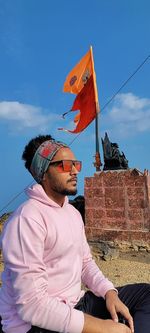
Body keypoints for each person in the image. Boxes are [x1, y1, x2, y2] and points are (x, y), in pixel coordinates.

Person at [0, 134, 150, 333]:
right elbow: (32, 305)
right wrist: (102, 327)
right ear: (43, 173)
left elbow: (85, 262)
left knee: (146, 294)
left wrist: (109, 292)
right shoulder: (27, 219)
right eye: (64, 165)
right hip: (35, 324)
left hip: (75, 304)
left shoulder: (72, 213)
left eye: (76, 164)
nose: (74, 171)